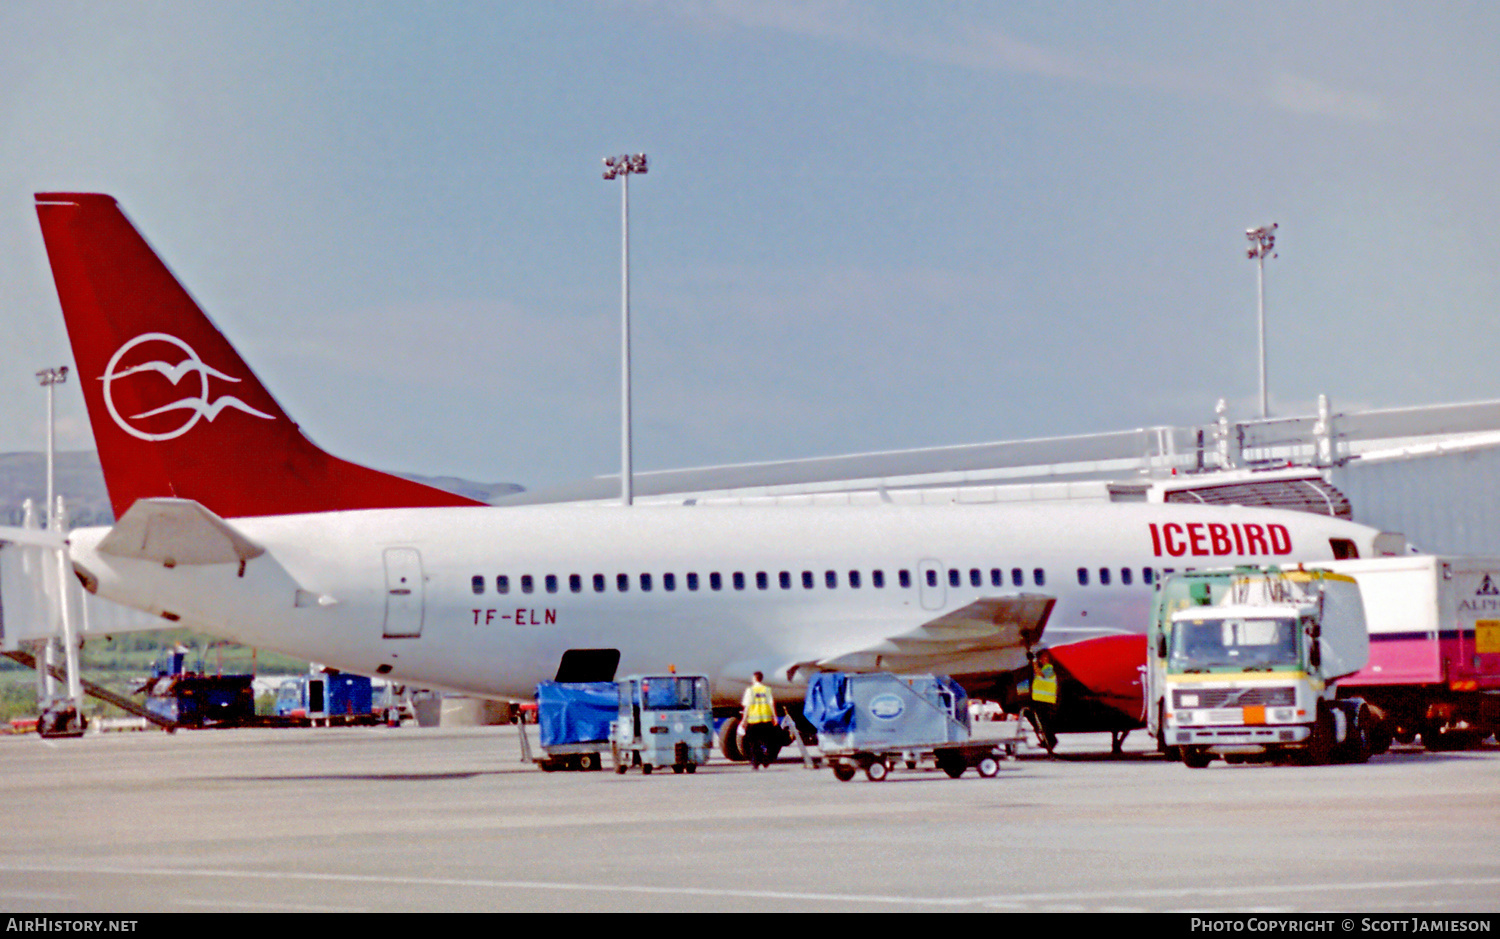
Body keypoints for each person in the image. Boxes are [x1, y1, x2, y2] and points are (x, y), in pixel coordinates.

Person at [740, 672, 778, 769]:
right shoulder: (766, 690)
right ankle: (766, 760)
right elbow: (771, 703)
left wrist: (744, 720)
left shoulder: (750, 690)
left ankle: (756, 762)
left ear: (754, 678)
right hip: (766, 720)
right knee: (768, 742)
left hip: (754, 721)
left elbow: (747, 706)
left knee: (754, 743)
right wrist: (775, 716)